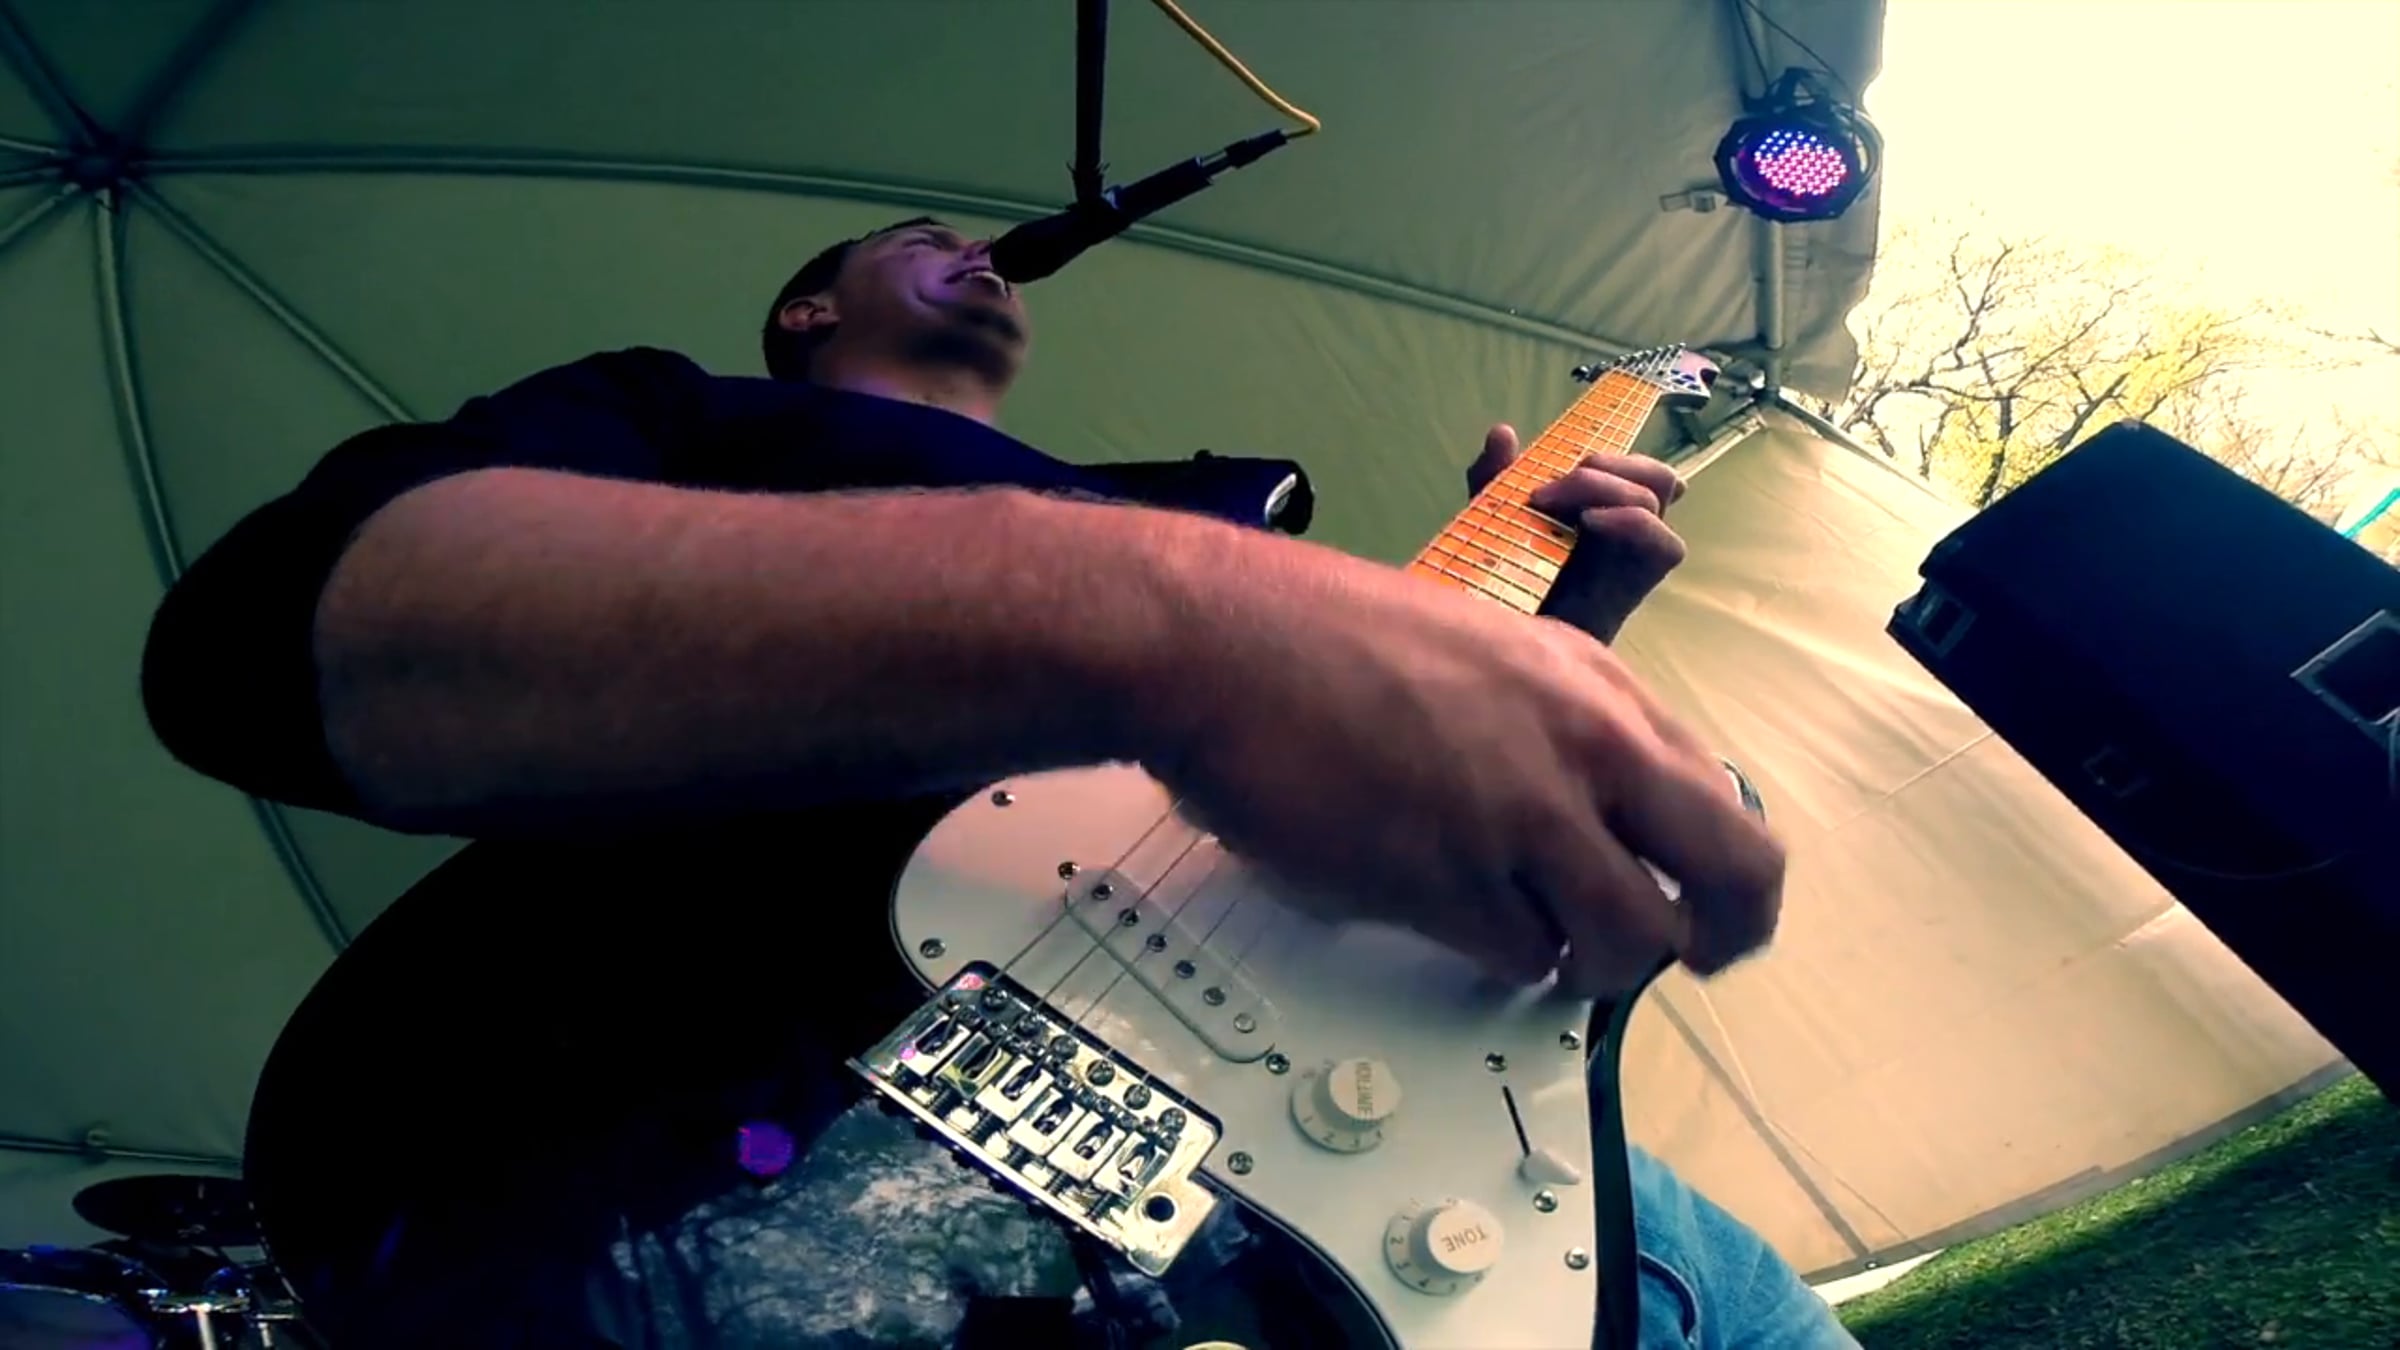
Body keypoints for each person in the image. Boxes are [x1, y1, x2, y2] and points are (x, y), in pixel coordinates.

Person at [140, 217, 1856, 1349]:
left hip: (1520, 1223)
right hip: (738, 1159)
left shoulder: (1217, 522)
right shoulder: (671, 418)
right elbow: (269, 636)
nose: (976, 253)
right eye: (916, 243)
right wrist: (1181, 620)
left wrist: (1543, 645)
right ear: (807, 312)